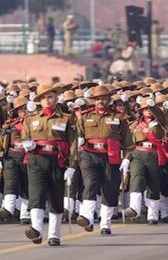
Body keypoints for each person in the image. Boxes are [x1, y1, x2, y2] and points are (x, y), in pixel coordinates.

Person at [21, 84, 77, 245]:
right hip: (36, 159)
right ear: (39, 100)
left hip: (57, 160)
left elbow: (73, 143)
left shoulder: (66, 118)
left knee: (55, 197)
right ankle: (36, 230)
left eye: (50, 96)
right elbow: (25, 136)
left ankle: (54, 234)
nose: (47, 100)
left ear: (56, 98)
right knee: (36, 195)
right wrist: (27, 144)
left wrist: (72, 166)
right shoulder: (31, 118)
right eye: (43, 97)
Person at [76, 86, 132, 235]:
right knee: (90, 184)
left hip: (110, 156)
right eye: (98, 98)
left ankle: (105, 223)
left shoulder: (118, 117)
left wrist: (126, 159)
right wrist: (78, 141)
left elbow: (128, 142)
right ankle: (87, 216)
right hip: (89, 155)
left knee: (109, 189)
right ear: (93, 101)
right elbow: (77, 135)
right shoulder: (84, 116)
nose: (101, 101)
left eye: (104, 98)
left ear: (109, 99)